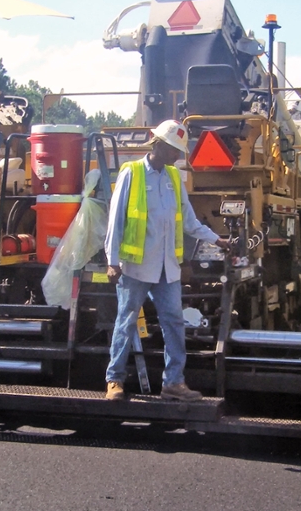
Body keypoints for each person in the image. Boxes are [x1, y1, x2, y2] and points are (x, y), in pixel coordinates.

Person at [104, 119, 230, 402]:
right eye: (172, 148)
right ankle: (114, 380)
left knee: (173, 321)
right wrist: (112, 261)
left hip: (166, 268)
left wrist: (215, 239)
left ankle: (173, 382)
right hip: (135, 266)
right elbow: (116, 220)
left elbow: (189, 220)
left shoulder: (174, 178)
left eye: (178, 150)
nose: (176, 155)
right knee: (125, 321)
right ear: (157, 143)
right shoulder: (132, 173)